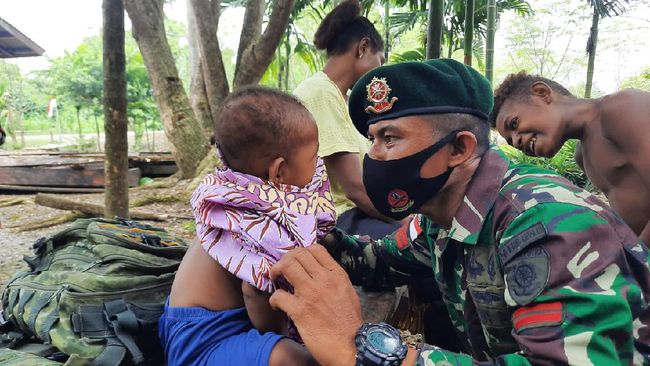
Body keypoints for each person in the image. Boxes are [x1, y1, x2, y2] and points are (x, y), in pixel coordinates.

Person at [267, 59, 650, 365]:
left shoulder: (544, 222)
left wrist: (372, 350)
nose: (374, 156)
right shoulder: (440, 220)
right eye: (372, 140)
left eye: (391, 138)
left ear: (458, 149)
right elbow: (379, 262)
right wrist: (305, 235)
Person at [158, 86, 335, 366]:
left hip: (199, 318)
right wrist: (279, 336)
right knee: (294, 358)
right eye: (314, 157)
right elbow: (254, 291)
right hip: (207, 340)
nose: (318, 165)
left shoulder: (240, 193)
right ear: (279, 171)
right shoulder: (259, 220)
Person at [490, 72, 650, 245]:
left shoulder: (623, 107)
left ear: (542, 93)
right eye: (510, 142)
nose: (516, 141)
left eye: (513, 124)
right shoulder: (582, 155)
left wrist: (641, 259)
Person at [293, 0, 400, 239]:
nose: (380, 72)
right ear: (363, 48)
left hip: (354, 213)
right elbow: (354, 188)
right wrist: (406, 222)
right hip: (335, 217)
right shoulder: (319, 92)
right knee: (417, 251)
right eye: (380, 61)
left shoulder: (346, 100)